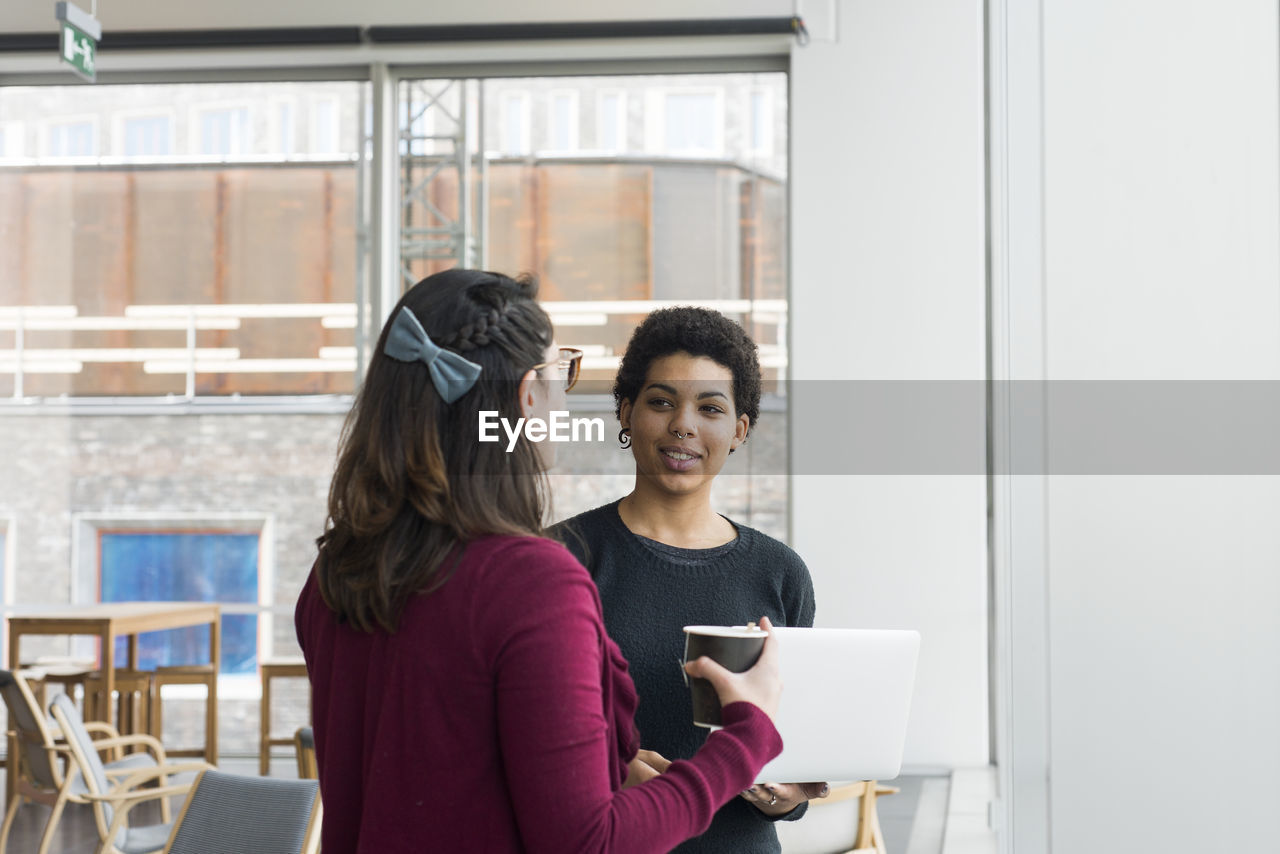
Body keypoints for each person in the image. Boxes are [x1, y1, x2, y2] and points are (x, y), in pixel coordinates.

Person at [295, 269, 786, 854]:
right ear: (528, 396)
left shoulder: (337, 574)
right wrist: (746, 737)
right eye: (561, 374)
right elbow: (589, 842)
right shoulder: (532, 583)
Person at [551, 306, 821, 854]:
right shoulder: (558, 559)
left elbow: (792, 750)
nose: (684, 425)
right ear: (625, 412)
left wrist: (789, 795)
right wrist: (608, 770)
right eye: (661, 402)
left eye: (710, 408)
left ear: (739, 430)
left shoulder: (780, 572)